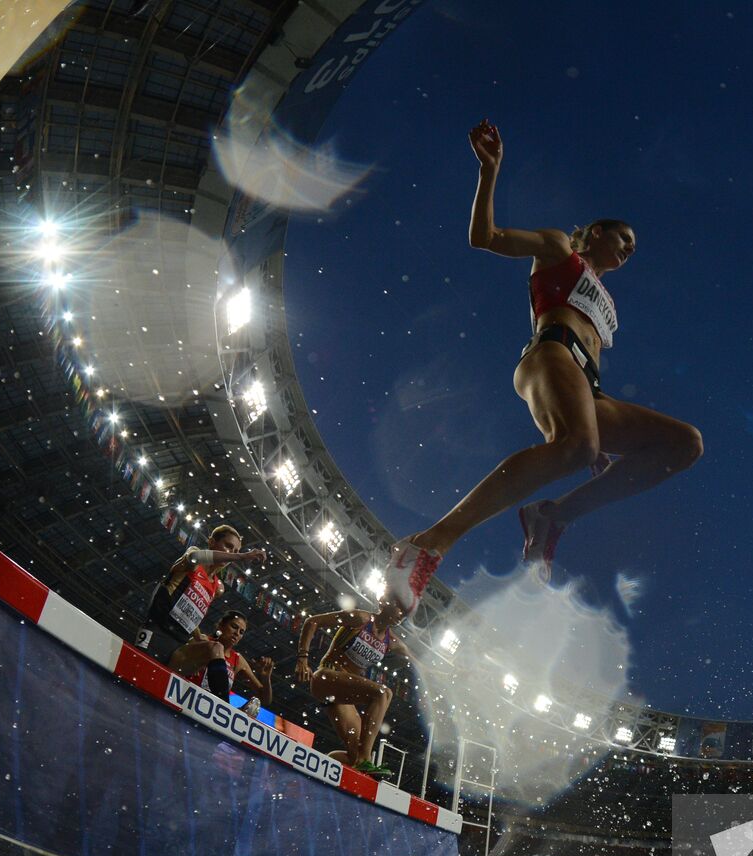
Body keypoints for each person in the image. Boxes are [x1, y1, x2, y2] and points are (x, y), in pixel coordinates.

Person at [382, 118, 703, 610]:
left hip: (587, 387)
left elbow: (591, 359)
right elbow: (483, 237)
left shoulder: (610, 306)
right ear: (596, 232)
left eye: (633, 249)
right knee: (576, 447)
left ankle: (553, 515)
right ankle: (429, 541)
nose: (630, 250)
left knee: (683, 444)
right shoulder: (559, 249)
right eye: (624, 239)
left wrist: (588, 426)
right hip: (549, 355)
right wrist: (490, 171)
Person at [295, 604, 415, 779]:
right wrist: (302, 659)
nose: (402, 614)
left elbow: (421, 667)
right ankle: (367, 759)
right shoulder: (361, 618)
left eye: (405, 613)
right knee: (383, 693)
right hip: (326, 677)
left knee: (353, 757)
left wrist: (452, 674)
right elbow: (312, 622)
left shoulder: (392, 641)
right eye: (400, 608)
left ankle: (317, 777)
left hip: (341, 697)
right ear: (384, 601)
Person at [135, 524, 267, 663]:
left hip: (179, 643)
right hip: (157, 630)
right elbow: (195, 557)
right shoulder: (194, 558)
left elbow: (191, 615)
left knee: (214, 650)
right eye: (228, 546)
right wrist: (241, 556)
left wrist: (198, 636)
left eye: (235, 550)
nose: (230, 554)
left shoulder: (218, 588)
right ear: (211, 542)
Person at [168, 611, 273, 708]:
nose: (237, 633)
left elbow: (264, 700)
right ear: (221, 625)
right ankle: (225, 705)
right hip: (183, 697)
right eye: (234, 627)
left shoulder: (238, 660)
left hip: (208, 709)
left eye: (241, 632)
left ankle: (224, 705)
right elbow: (178, 662)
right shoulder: (203, 642)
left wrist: (266, 678)